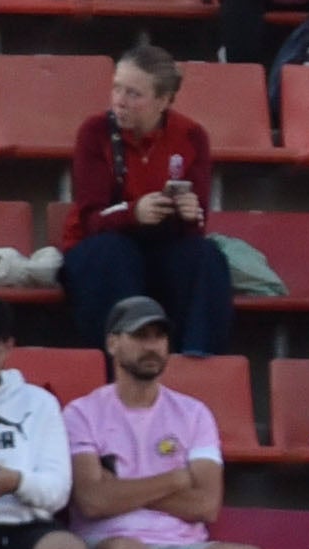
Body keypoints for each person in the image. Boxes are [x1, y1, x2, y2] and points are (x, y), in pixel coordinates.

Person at [70, 298, 273, 549]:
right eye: (140, 336)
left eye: (159, 336)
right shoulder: (81, 413)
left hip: (181, 548)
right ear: (112, 343)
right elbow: (93, 502)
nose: (152, 346)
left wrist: (124, 487)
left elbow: (206, 504)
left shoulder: (194, 413)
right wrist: (176, 479)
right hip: (107, 543)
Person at [62, 45, 236, 356]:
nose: (120, 101)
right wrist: (134, 213)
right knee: (112, 255)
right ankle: (121, 361)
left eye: (134, 94)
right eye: (116, 88)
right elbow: (91, 218)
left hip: (162, 249)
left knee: (206, 257)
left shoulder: (192, 135)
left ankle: (197, 363)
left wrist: (187, 213)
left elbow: (196, 228)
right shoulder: (95, 132)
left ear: (164, 101)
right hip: (102, 246)